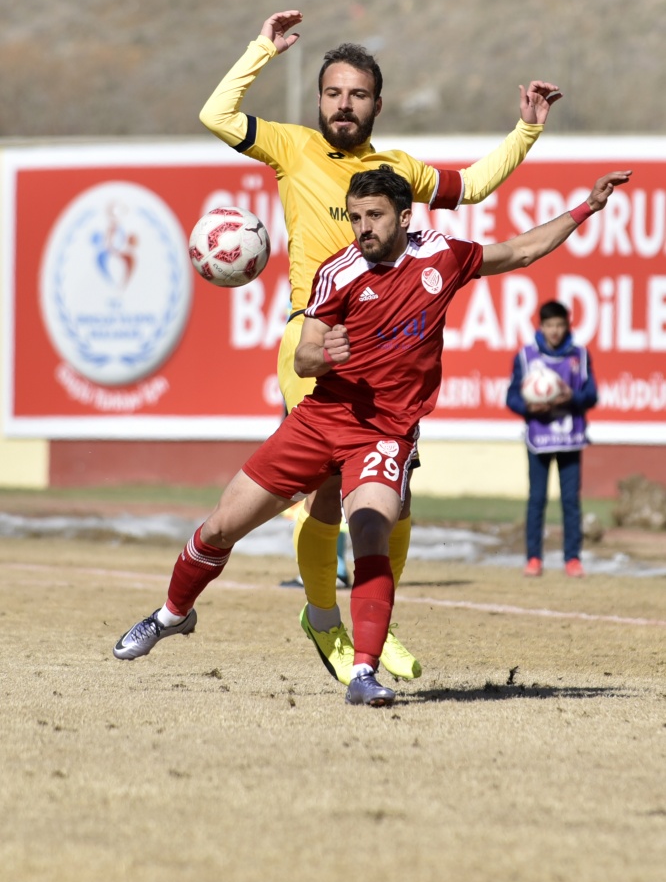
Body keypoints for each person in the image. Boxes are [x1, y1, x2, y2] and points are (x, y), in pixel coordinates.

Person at [113, 165, 631, 706]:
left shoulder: (443, 257)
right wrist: (321, 354)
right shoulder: (338, 272)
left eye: (375, 216)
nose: (363, 227)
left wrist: (586, 208)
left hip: (385, 433)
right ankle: (171, 615)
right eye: (356, 216)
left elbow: (520, 250)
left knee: (368, 536)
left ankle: (362, 674)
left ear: (405, 216)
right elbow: (308, 351)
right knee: (220, 526)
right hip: (320, 419)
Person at [198, 8, 562, 687]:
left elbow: (475, 185)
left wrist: (527, 131)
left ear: (376, 104)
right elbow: (217, 115)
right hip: (315, 338)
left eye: (357, 94)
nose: (343, 104)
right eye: (333, 93)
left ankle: (371, 620)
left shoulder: (396, 174)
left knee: (394, 500)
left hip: (388, 357)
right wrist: (261, 50)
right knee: (329, 486)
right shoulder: (292, 147)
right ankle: (323, 616)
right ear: (319, 101)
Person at [506, 300, 599, 578]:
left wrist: (574, 397)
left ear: (567, 325)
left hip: (571, 436)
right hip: (538, 436)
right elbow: (511, 397)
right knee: (537, 499)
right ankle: (534, 558)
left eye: (560, 325)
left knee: (571, 500)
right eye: (550, 325)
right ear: (541, 326)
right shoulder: (526, 356)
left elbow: (592, 394)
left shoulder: (579, 356)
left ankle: (572, 559)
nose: (555, 331)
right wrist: (528, 407)